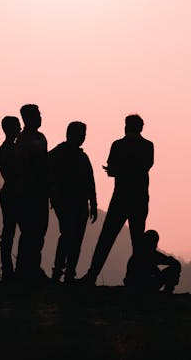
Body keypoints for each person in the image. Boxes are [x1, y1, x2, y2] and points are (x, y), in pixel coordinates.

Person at [81, 114, 153, 284]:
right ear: (141, 127)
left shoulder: (118, 145)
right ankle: (138, 278)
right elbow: (145, 167)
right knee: (137, 240)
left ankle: (92, 276)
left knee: (106, 238)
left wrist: (119, 169)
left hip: (120, 198)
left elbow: (112, 170)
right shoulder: (148, 146)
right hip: (140, 198)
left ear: (126, 126)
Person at [48, 121, 98, 283]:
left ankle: (66, 271)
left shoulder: (76, 155)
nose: (83, 138)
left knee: (73, 237)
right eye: (82, 134)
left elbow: (90, 182)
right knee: (70, 236)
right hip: (67, 202)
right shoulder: (61, 154)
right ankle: (62, 271)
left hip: (76, 203)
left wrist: (93, 204)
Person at [14, 104, 50, 281]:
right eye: (38, 115)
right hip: (29, 192)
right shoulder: (23, 140)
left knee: (39, 232)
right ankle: (25, 270)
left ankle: (32, 268)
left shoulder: (40, 137)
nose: (41, 117)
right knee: (30, 232)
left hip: (41, 191)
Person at [0, 115, 22, 281]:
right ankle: (9, 270)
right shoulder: (8, 149)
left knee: (10, 231)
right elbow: (11, 174)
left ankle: (11, 270)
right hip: (13, 194)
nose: (19, 129)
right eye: (17, 126)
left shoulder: (8, 148)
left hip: (11, 193)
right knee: (11, 232)